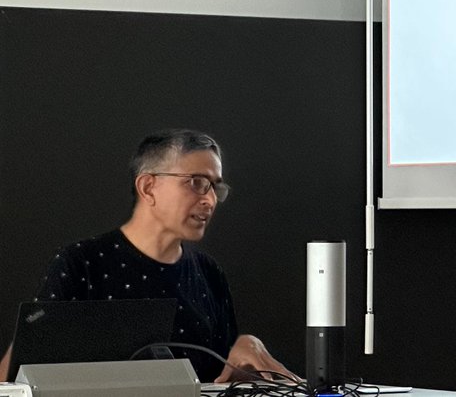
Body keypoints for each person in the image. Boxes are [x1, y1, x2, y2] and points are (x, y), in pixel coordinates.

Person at [0, 129, 293, 383]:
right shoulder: (82, 263)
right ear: (148, 187)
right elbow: (14, 379)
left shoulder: (209, 273)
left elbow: (218, 379)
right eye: (196, 182)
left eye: (215, 187)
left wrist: (247, 356)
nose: (210, 199)